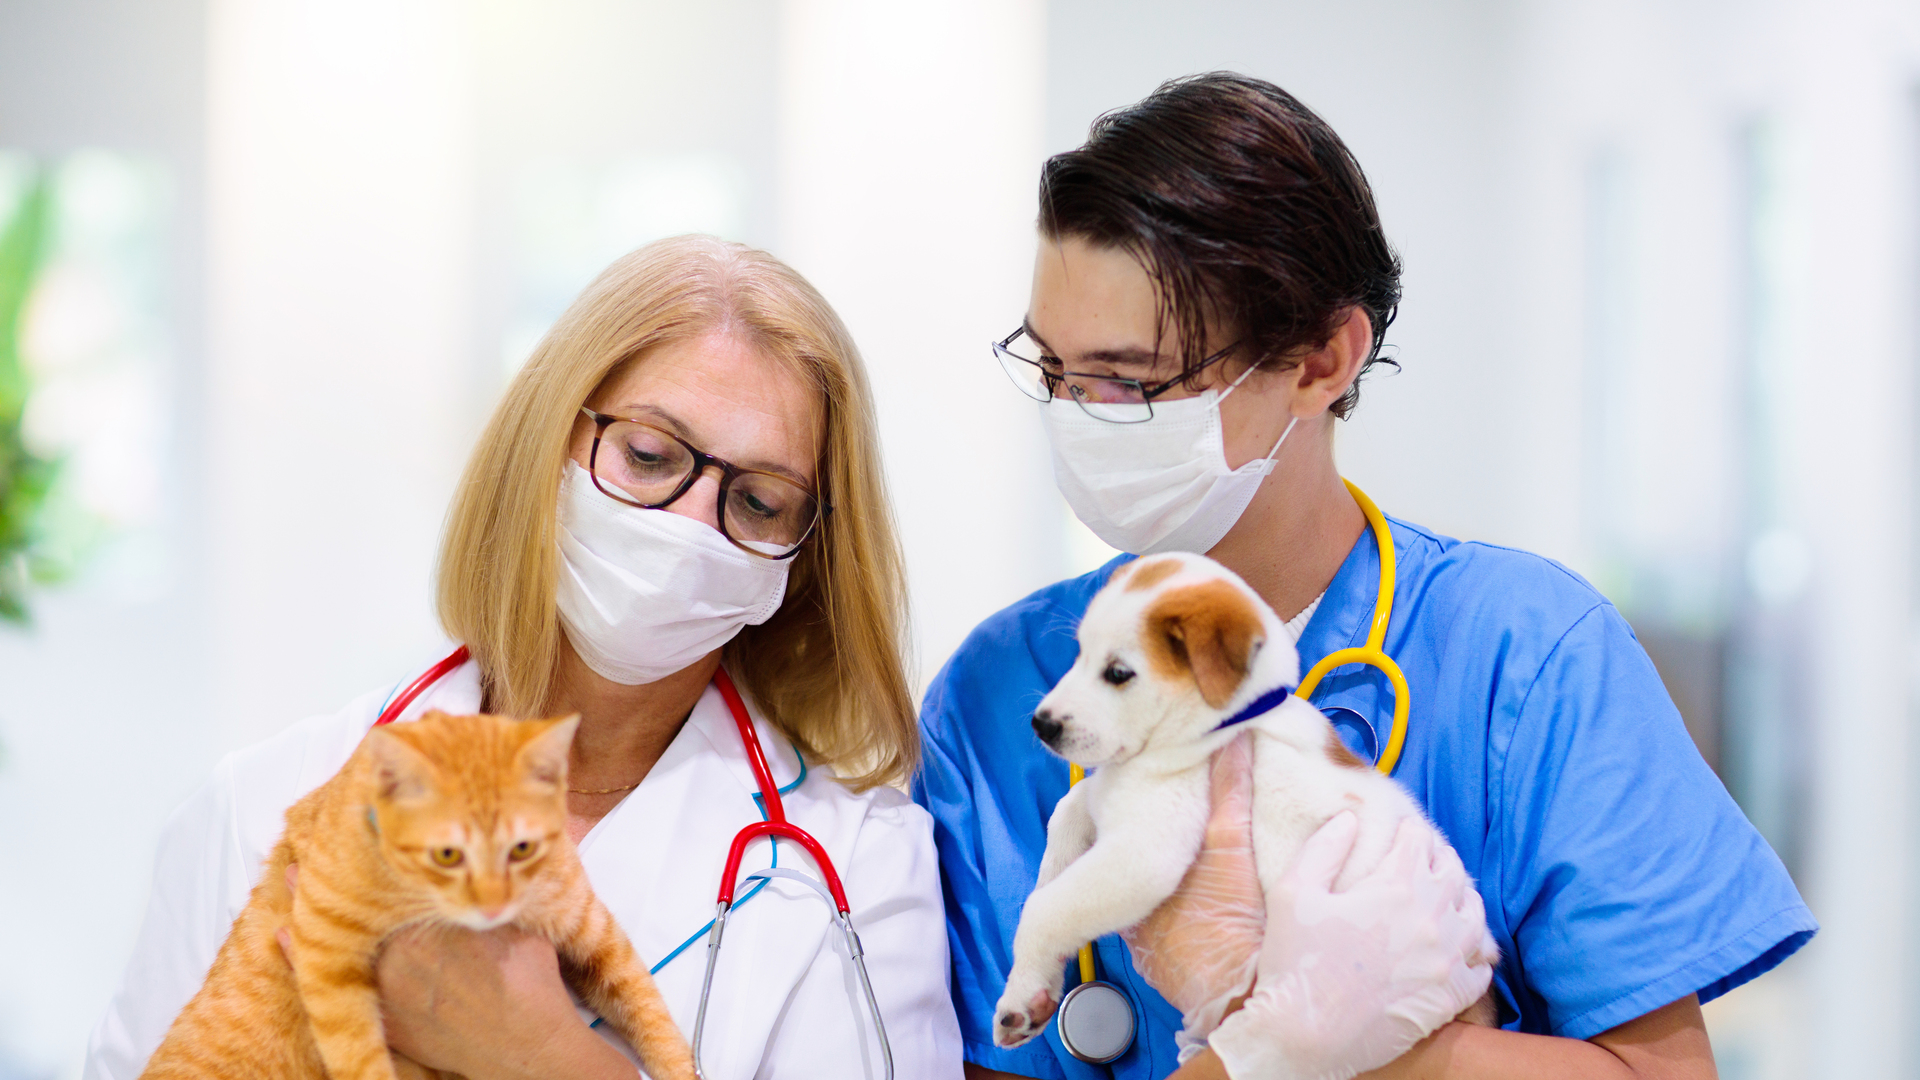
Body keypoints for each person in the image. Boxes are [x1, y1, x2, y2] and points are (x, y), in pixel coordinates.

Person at [914, 73, 1815, 1080]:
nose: (1081, 414)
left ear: (1321, 360)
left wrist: (1348, 1038)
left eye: (1130, 381)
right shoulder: (1001, 689)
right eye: (1055, 373)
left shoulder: (1526, 659)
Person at [86, 236, 964, 1080]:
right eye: (649, 455)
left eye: (761, 502)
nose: (692, 525)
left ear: (802, 559)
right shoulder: (258, 806)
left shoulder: (855, 870)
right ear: (548, 443)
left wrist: (546, 1060)